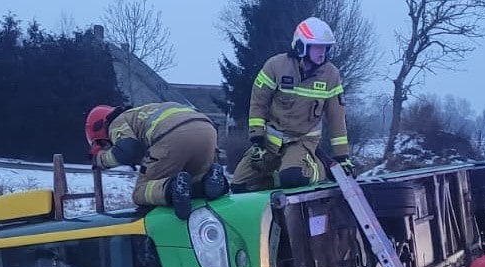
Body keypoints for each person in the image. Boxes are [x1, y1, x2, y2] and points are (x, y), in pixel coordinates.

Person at [230, 16, 353, 193]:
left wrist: (342, 157)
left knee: (293, 178)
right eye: (318, 47)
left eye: (326, 48)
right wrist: (257, 140)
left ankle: (321, 169)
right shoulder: (275, 66)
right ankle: (273, 179)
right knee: (239, 185)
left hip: (302, 141)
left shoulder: (331, 75)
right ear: (302, 46)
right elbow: (258, 103)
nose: (322, 52)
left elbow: (336, 118)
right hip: (269, 142)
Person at [85, 102, 228, 221]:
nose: (108, 146)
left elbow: (127, 150)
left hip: (173, 135)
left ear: (101, 127)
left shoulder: (117, 122)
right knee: (192, 180)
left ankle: (173, 188)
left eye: (104, 144)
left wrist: (99, 159)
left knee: (141, 192)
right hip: (207, 130)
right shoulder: (143, 112)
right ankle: (208, 181)